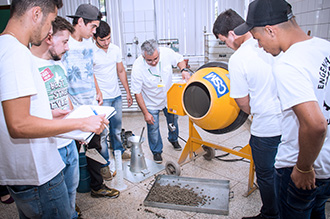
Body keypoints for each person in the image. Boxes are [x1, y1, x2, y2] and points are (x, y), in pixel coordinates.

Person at [0, 0, 108, 218]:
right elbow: (18, 125)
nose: (50, 30)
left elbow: (13, 113)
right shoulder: (16, 53)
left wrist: (50, 115)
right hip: (38, 175)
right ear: (36, 13)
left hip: (28, 173)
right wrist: (81, 123)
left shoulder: (7, 48)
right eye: (50, 22)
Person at [234, 0, 330, 218]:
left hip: (301, 168)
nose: (259, 46)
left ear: (270, 30)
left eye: (258, 38)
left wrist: (303, 168)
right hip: (327, 165)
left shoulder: (287, 64)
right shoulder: (324, 46)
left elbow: (316, 125)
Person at [213, 9, 282, 219]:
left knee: (266, 174)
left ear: (232, 33)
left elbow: (242, 101)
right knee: (284, 170)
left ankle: (271, 214)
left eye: (224, 40)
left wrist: (258, 110)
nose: (227, 45)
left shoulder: (239, 59)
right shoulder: (278, 42)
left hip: (266, 128)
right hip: (292, 121)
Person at [62, 3, 120, 198]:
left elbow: (89, 70)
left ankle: (97, 186)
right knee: (69, 157)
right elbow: (61, 79)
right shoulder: (63, 42)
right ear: (80, 21)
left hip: (91, 106)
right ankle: (68, 199)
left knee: (95, 147)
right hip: (73, 111)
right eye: (93, 27)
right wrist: (70, 110)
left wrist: (97, 90)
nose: (95, 32)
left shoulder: (88, 42)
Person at [30, 16, 81, 219]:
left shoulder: (58, 63)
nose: (67, 48)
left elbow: (64, 95)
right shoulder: (28, 65)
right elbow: (20, 115)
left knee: (70, 194)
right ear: (49, 38)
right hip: (49, 147)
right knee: (53, 207)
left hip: (68, 142)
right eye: (65, 41)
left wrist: (78, 126)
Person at [131, 39, 190, 163]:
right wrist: (146, 113)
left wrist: (183, 70)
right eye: (149, 60)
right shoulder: (137, 67)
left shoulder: (166, 53)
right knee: (153, 127)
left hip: (168, 97)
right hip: (151, 102)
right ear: (143, 56)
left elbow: (180, 60)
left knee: (173, 121)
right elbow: (137, 92)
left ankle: (173, 139)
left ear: (158, 52)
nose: (153, 62)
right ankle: (157, 151)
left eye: (156, 59)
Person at [93, 20, 133, 180]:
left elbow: (121, 70)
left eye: (108, 38)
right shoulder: (90, 52)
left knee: (117, 129)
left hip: (115, 95)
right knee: (102, 134)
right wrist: (98, 92)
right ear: (94, 38)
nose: (106, 42)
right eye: (102, 40)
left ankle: (119, 152)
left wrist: (127, 93)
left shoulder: (115, 49)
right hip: (101, 100)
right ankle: (104, 165)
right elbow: (91, 75)